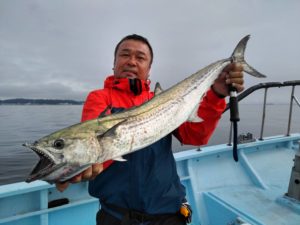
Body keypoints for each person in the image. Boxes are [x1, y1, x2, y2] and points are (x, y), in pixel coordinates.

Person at [56, 34, 244, 225]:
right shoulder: (100, 98)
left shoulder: (163, 100)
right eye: (125, 55)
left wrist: (217, 94)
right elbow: (95, 146)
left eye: (140, 57)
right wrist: (72, 168)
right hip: (117, 216)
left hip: (169, 211)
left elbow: (195, 136)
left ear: (149, 69)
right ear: (114, 63)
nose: (131, 62)